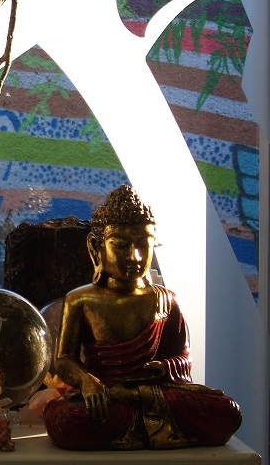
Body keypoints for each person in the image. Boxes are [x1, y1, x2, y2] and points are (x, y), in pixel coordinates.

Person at [43, 185, 241, 450]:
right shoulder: (81, 300)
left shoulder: (165, 299)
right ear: (96, 246)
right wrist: (88, 382)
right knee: (66, 418)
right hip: (108, 395)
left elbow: (183, 357)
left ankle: (135, 425)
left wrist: (166, 367)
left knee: (227, 410)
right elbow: (64, 360)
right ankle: (150, 428)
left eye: (143, 245)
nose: (134, 256)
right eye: (121, 245)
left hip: (154, 395)